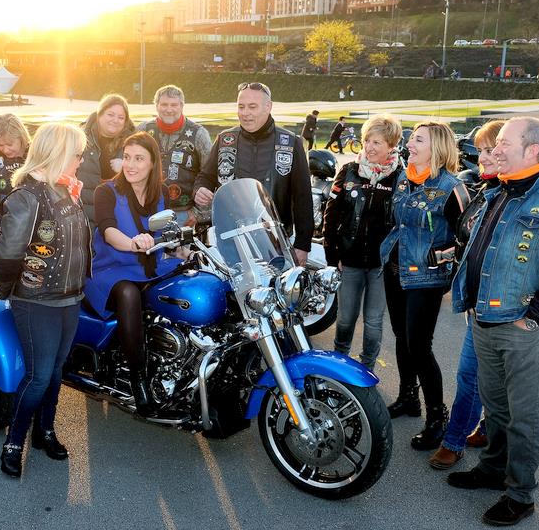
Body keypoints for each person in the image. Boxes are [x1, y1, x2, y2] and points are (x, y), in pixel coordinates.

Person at [448, 117, 539, 526]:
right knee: (495, 408)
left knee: (524, 417)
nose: (493, 151)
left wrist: (534, 319)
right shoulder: (498, 192)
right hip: (485, 321)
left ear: (531, 150)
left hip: (525, 329)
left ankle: (521, 494)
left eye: (504, 143)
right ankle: (493, 470)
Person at [0, 123, 90, 478]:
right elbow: (8, 254)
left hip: (70, 298)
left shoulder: (68, 191)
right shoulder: (27, 196)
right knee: (38, 376)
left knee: (55, 372)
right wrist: (5, 291)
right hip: (36, 300)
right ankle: (14, 441)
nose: (81, 159)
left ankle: (45, 431)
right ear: (59, 154)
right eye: (77, 153)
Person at [379, 121, 470, 450]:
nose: (410, 144)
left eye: (418, 140)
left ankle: (436, 417)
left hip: (425, 279)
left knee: (419, 346)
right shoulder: (405, 177)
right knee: (403, 340)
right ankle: (408, 398)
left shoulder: (452, 187)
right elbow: (397, 222)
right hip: (395, 272)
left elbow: (467, 238)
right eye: (411, 139)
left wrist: (443, 260)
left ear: (438, 147)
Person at [83, 132, 181, 415]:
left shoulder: (160, 192)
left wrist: (180, 249)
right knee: (128, 293)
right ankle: (139, 379)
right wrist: (134, 243)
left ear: (153, 164)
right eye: (127, 157)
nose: (131, 164)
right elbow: (109, 230)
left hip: (151, 267)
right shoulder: (107, 191)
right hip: (110, 270)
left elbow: (167, 231)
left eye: (139, 158)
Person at [427, 119, 504, 470]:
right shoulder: (486, 191)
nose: (483, 156)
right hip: (478, 302)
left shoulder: (518, 195)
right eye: (481, 150)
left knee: (476, 376)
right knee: (480, 376)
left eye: (491, 149)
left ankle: (455, 440)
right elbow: (467, 241)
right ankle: (481, 430)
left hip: (503, 308)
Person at [193, 82, 313, 265]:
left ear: (268, 107)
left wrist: (303, 245)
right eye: (241, 106)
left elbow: (303, 197)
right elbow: (205, 177)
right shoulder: (225, 140)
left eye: (252, 107)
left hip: (276, 243)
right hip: (231, 242)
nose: (245, 113)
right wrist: (200, 189)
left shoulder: (291, 143)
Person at [323, 115, 402, 371]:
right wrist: (332, 258)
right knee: (345, 319)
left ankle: (367, 369)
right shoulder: (348, 171)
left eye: (377, 142)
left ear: (391, 145)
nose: (369, 147)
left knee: (374, 321)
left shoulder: (401, 177)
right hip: (350, 261)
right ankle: (340, 365)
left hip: (381, 265)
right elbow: (331, 214)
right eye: (367, 140)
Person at [137, 85, 212, 227]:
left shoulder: (199, 134)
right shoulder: (143, 130)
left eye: (174, 105)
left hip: (183, 213)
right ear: (156, 106)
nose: (169, 109)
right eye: (164, 104)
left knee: (182, 250)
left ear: (182, 106)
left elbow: (209, 175)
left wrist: (199, 213)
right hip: (147, 210)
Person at [77, 94, 136, 227]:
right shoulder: (80, 138)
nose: (115, 120)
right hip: (84, 212)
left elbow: (147, 176)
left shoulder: (133, 142)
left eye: (121, 117)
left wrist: (126, 168)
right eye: (110, 114)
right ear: (99, 114)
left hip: (118, 214)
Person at [0, 113, 32, 257]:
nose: (5, 149)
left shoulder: (36, 156)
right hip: (2, 228)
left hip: (29, 228)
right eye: (0, 145)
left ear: (21, 137)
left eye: (9, 144)